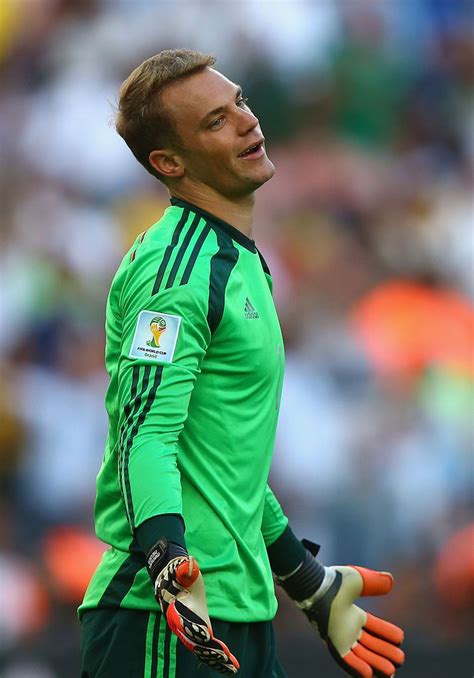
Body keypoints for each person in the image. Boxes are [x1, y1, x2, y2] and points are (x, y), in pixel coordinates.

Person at [79, 49, 405, 678]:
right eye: (214, 122)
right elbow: (146, 435)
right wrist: (168, 560)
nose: (247, 123)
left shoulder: (242, 262)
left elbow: (228, 461)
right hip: (162, 618)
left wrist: (305, 579)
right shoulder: (176, 270)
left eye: (241, 104)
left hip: (240, 616)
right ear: (169, 164)